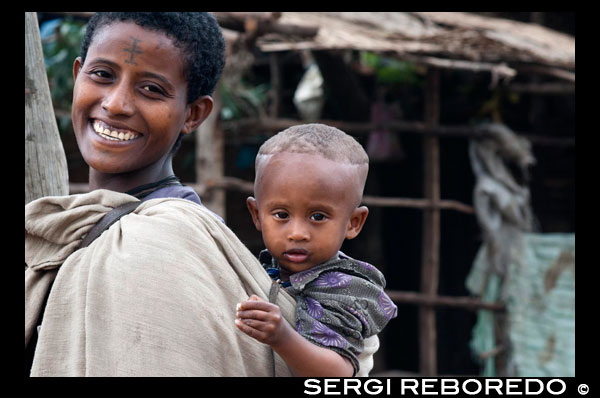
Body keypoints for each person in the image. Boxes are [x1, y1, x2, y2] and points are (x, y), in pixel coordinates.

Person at [25, 12, 380, 377]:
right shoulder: (70, 226)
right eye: (103, 75)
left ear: (193, 113)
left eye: (151, 89)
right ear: (77, 75)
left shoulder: (161, 242)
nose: (116, 104)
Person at [236, 124, 398, 376]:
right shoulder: (261, 268)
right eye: (281, 214)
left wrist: (281, 336)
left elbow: (338, 375)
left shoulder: (344, 289)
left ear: (353, 223)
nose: (298, 232)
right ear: (256, 215)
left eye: (318, 216)